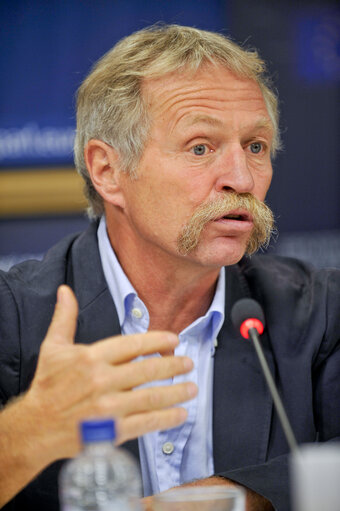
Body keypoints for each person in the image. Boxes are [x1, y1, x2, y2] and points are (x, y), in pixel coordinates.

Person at [0, 24, 339, 511]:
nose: (241, 178)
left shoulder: (320, 313)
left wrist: (220, 501)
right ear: (107, 171)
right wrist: (30, 428)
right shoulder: (13, 319)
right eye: (200, 148)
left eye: (256, 146)